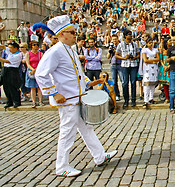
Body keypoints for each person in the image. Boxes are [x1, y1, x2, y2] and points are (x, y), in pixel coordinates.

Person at [34, 15, 117, 177]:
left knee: (86, 127)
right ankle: (62, 165)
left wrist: (88, 83)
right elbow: (41, 74)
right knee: (67, 132)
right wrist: (54, 93)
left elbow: (77, 73)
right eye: (71, 32)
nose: (75, 35)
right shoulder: (55, 51)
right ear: (62, 34)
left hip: (77, 96)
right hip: (66, 99)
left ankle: (99, 156)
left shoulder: (69, 50)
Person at [115, 29, 140, 108]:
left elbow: (138, 54)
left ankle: (133, 99)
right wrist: (124, 58)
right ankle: (126, 100)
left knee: (133, 82)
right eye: (129, 34)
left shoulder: (135, 44)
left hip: (133, 65)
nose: (131, 35)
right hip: (124, 65)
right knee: (125, 83)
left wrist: (135, 57)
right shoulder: (120, 44)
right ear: (125, 36)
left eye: (131, 34)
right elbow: (116, 55)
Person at [0, 41, 22, 108]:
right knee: (6, 87)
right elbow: (4, 47)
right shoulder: (11, 52)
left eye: (11, 48)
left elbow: (7, 61)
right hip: (5, 70)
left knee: (13, 87)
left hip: (12, 71)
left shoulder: (18, 55)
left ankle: (16, 102)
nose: (9, 49)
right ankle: (9, 101)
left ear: (15, 48)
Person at [140, 38, 160, 109]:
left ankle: (151, 98)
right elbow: (145, 60)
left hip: (154, 68)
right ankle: (146, 100)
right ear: (146, 43)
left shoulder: (155, 50)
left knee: (152, 84)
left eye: (152, 42)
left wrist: (150, 60)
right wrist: (153, 60)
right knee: (147, 84)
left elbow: (158, 59)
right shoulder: (144, 50)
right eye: (149, 43)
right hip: (147, 69)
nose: (151, 44)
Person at [25, 36, 44, 108]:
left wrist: (36, 69)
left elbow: (42, 63)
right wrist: (32, 69)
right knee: (32, 88)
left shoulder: (40, 54)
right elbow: (27, 63)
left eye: (37, 45)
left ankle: (40, 101)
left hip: (38, 71)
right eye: (34, 45)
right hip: (31, 71)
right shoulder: (28, 54)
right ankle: (33, 101)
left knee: (39, 87)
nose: (36, 46)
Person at [106, 35, 121, 101]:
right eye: (113, 39)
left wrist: (116, 52)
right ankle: (117, 94)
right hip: (113, 64)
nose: (114, 41)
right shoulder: (111, 46)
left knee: (123, 81)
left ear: (118, 39)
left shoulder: (120, 46)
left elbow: (122, 55)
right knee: (114, 81)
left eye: (115, 39)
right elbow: (108, 57)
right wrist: (110, 51)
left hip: (120, 64)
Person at [158, 37, 171, 103]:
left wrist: (169, 66)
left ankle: (174, 98)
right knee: (165, 85)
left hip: (171, 67)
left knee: (172, 84)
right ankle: (167, 98)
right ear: (166, 42)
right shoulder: (162, 49)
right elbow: (161, 59)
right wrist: (164, 66)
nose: (171, 41)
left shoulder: (172, 49)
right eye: (169, 40)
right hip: (164, 68)